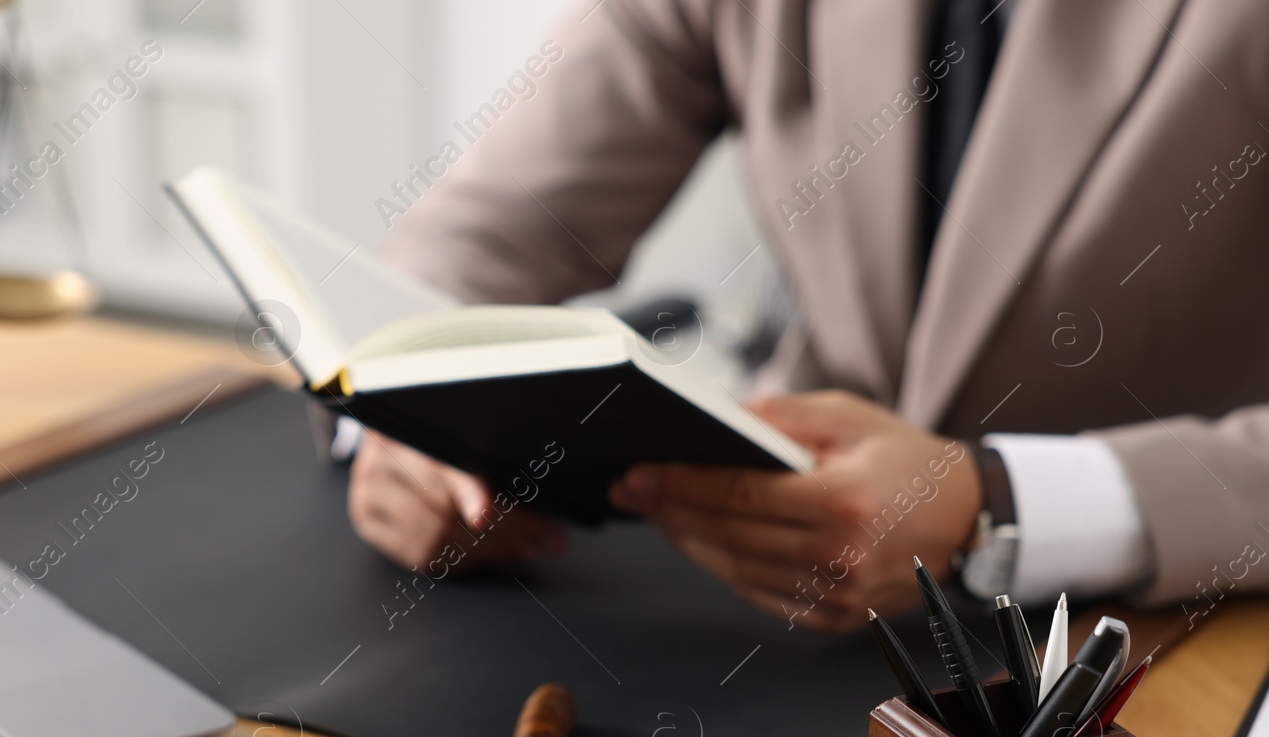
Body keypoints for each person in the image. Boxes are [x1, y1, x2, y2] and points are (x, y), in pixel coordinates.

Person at [347, 0, 1269, 633]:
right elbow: (493, 223)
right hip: (775, 604)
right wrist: (417, 417)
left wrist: (997, 504)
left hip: (1171, 631)